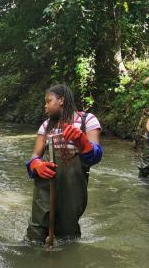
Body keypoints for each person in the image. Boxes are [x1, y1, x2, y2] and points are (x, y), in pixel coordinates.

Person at [25, 84, 103, 242]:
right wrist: (36, 165)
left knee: (68, 232)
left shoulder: (87, 120)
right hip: (46, 180)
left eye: (48, 101)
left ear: (61, 100)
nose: (45, 106)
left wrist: (82, 142)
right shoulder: (46, 125)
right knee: (37, 230)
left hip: (73, 182)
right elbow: (35, 155)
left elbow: (95, 156)